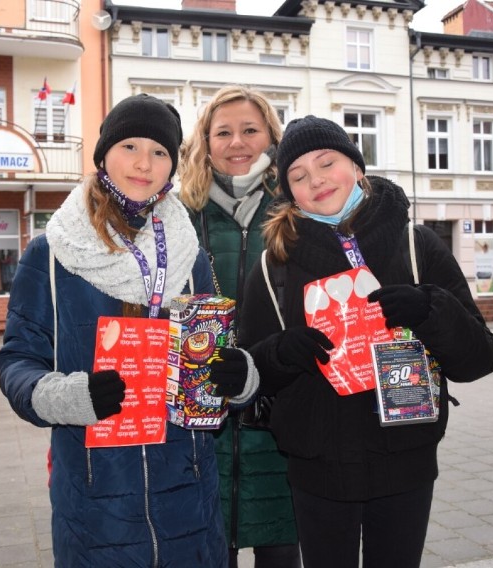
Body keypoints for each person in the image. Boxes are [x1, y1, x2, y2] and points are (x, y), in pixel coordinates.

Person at [0, 94, 259, 567]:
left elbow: (218, 350)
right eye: (130, 147)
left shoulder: (187, 250)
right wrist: (70, 397)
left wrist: (239, 378)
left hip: (188, 492)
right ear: (103, 156)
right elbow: (18, 364)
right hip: (98, 498)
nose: (144, 164)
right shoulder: (52, 254)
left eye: (160, 152)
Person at [239, 115, 493, 568]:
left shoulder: (416, 245)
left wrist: (429, 308)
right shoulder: (273, 266)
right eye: (298, 176)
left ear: (357, 167)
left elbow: (479, 359)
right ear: (289, 193)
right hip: (318, 470)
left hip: (406, 462)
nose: (316, 181)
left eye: (327, 163)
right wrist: (282, 353)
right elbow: (251, 374)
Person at [179, 85, 300, 568]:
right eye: (223, 132)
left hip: (279, 426)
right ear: (205, 142)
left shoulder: (297, 212)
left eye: (250, 130)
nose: (237, 143)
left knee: (281, 552)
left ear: (272, 136)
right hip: (201, 429)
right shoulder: (179, 216)